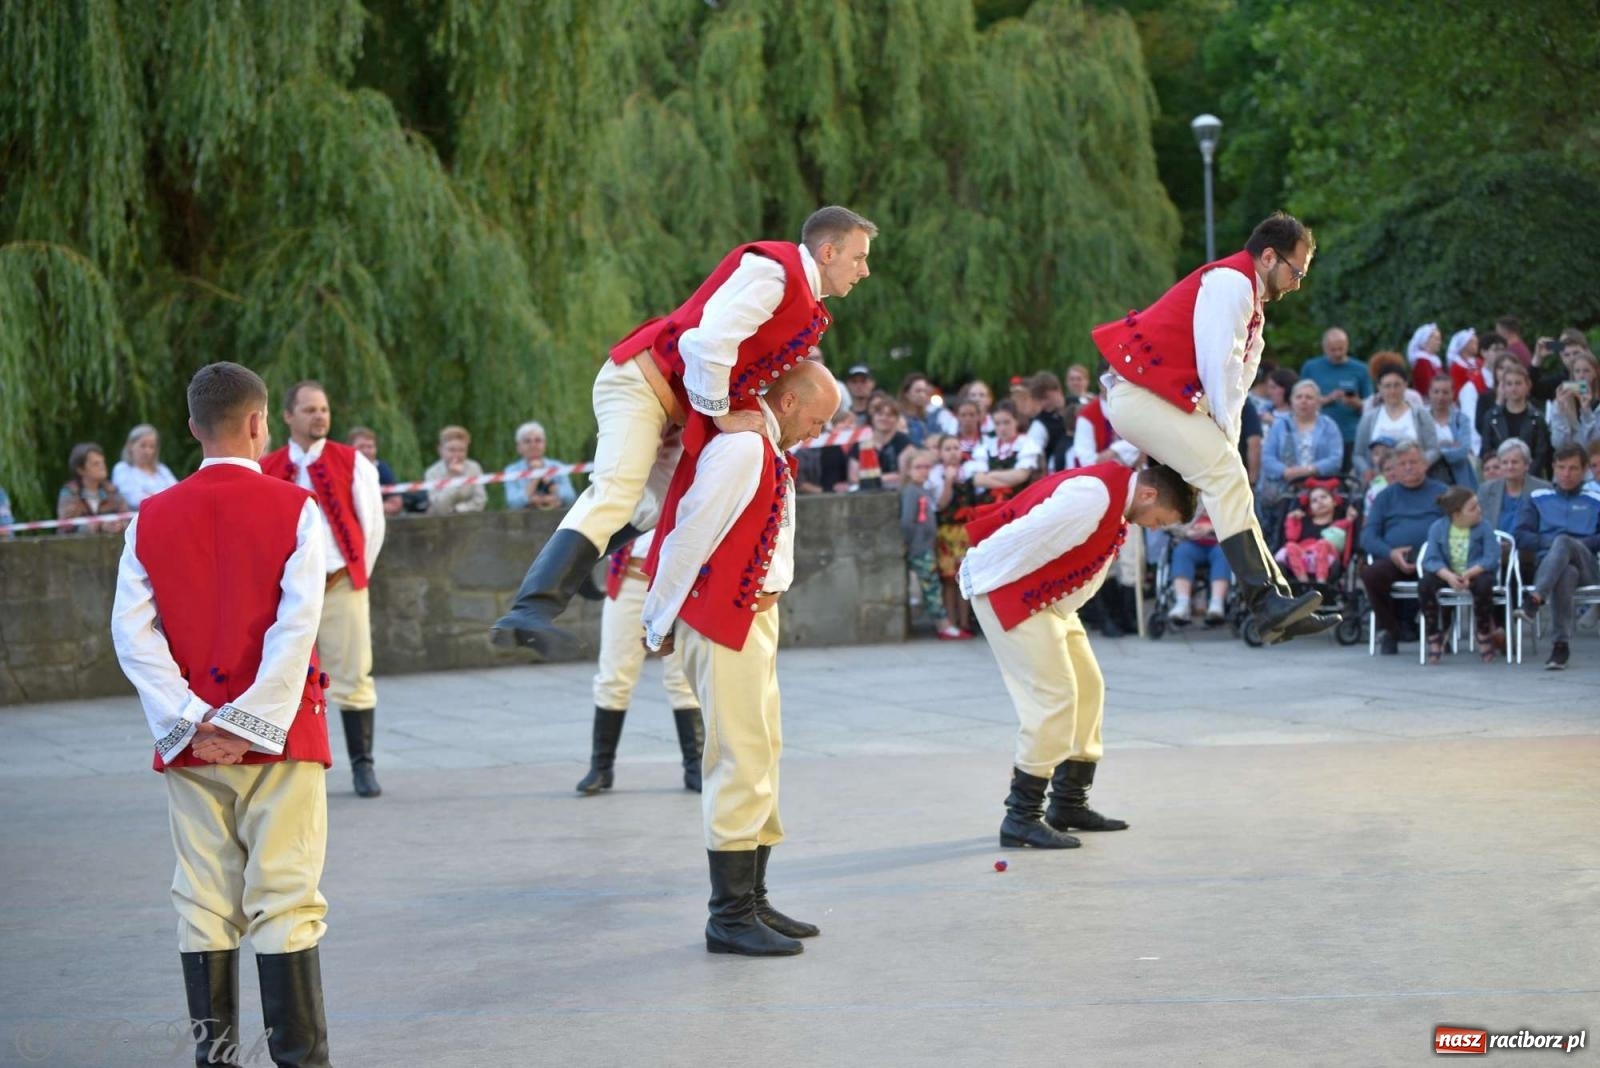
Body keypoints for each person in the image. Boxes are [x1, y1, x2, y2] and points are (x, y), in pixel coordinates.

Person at [493, 206, 876, 659]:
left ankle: (567, 577)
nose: (864, 270)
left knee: (653, 506)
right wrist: (721, 415)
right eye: (858, 257)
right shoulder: (774, 275)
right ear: (828, 252)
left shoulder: (796, 292)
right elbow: (706, 343)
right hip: (641, 383)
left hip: (673, 402)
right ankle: (528, 610)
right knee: (617, 493)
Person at [110, 362, 332, 1067]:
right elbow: (296, 628)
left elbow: (132, 634)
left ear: (191, 429)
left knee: (203, 902)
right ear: (261, 423)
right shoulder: (294, 508)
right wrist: (246, 720)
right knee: (287, 897)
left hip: (190, 746)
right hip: (281, 741)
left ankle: (216, 1061)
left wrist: (191, 717)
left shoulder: (150, 516)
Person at [640, 359, 839, 957]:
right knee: (738, 756)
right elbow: (689, 531)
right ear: (788, 402)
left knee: (762, 751)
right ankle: (728, 915)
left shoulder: (763, 447)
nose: (820, 431)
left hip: (752, 618)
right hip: (727, 621)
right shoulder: (745, 450)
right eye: (818, 418)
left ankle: (751, 899)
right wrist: (657, 619)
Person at [1091, 212, 1336, 643]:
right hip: (1139, 396)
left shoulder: (1250, 298)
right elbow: (1218, 367)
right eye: (1296, 271)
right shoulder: (1232, 284)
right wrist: (1225, 444)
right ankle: (1266, 603)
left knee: (1231, 479)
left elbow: (1237, 387)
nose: (1298, 283)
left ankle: (1276, 599)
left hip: (1150, 397)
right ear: (1267, 256)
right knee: (1226, 476)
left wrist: (1228, 441)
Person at [959, 461, 1196, 849]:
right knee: (1054, 698)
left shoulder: (1116, 494)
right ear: (1149, 495)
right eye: (1159, 519)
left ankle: (1068, 803)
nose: (1154, 526)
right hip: (1015, 595)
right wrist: (982, 582)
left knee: (1088, 689)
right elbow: (1022, 536)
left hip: (1049, 603)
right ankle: (1021, 817)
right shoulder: (1092, 497)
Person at [260, 381, 387, 798]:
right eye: (310, 409)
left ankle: (363, 767)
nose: (319, 416)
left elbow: (372, 528)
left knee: (354, 676)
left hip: (339, 584)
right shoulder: (267, 467)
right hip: (286, 594)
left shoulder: (353, 463)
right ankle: (289, 769)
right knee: (284, 678)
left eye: (324, 409)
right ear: (287, 416)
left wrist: (354, 577)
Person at [579, 527, 703, 796]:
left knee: (682, 676)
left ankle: (696, 766)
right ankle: (600, 766)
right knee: (614, 673)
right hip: (629, 578)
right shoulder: (631, 484)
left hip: (679, 581)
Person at [1513, 445, 1600, 670]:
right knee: (1565, 572)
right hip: (1549, 566)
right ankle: (1560, 647)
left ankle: (1535, 599)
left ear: (1584, 471)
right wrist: (1556, 545)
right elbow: (1521, 536)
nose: (1566, 474)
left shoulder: (1596, 498)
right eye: (1561, 468)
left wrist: (1572, 544)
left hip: (1587, 567)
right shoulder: (1537, 497)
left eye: (1573, 468)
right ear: (1553, 467)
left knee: (1565, 544)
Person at [1359, 441, 1449, 654]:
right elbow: (1368, 536)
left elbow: (1456, 528)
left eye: (1413, 462)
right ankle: (1391, 630)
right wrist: (1390, 553)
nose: (1408, 467)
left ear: (1425, 465)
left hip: (1433, 559)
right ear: (1395, 469)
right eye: (1402, 464)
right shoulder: (1384, 497)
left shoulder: (1442, 493)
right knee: (1371, 574)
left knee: (1447, 575)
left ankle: (1440, 632)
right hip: (1397, 559)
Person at [1419, 487, 1503, 665]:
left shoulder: (1484, 527)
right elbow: (1431, 559)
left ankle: (1482, 631)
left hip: (1475, 572)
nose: (1479, 510)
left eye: (1478, 505)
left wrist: (1469, 573)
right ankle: (1433, 633)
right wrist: (1449, 576)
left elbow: (1491, 556)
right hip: (1447, 573)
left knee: (1484, 584)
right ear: (1456, 514)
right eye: (1473, 508)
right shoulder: (1438, 528)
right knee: (1425, 583)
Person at [901, 447, 967, 640]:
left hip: (927, 545)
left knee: (933, 585)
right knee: (931, 587)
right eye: (918, 467)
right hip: (920, 548)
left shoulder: (922, 489)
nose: (923, 470)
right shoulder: (912, 491)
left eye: (926, 466)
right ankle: (943, 625)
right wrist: (914, 542)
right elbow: (907, 521)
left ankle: (944, 624)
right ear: (909, 470)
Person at [1258, 379, 1344, 507]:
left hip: (1320, 490)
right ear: (1292, 400)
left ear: (1318, 402)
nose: (1303, 401)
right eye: (1299, 397)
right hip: (1283, 492)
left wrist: (1310, 470)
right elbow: (1267, 458)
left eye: (1309, 397)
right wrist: (1286, 472)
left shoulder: (1329, 426)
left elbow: (1335, 459)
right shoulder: (1279, 425)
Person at [1300, 327, 1371, 471]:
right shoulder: (1311, 367)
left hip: (1351, 433)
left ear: (1347, 346)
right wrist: (1327, 399)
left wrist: (1355, 403)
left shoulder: (1361, 369)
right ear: (1324, 348)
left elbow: (1370, 403)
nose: (1337, 353)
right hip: (1319, 434)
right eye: (1333, 350)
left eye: (1341, 349)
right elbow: (1299, 400)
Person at [1353, 368, 1439, 483]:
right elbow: (1358, 454)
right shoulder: (1368, 418)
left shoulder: (1421, 414)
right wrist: (1366, 470)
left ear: (1405, 385)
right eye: (1387, 386)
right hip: (1380, 481)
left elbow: (1434, 448)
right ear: (1379, 388)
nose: (1392, 391)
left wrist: (1421, 465)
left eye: (1397, 385)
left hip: (1414, 480)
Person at [932, 434, 980, 636]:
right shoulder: (937, 474)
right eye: (948, 449)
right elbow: (941, 504)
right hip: (946, 532)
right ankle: (950, 621)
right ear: (940, 453)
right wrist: (948, 482)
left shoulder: (969, 471)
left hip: (966, 532)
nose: (952, 453)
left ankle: (965, 622)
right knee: (949, 580)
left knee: (965, 579)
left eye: (955, 448)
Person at [1478, 360, 1550, 479]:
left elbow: (1541, 453)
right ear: (1503, 387)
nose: (1513, 388)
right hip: (1499, 477)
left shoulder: (1537, 418)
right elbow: (1487, 449)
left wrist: (1526, 475)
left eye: (1518, 383)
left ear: (1527, 386)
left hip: (1530, 477)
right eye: (1509, 384)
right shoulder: (1491, 417)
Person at [964, 400, 1042, 502]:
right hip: (989, 505)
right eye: (997, 424)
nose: (1002, 428)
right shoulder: (987, 445)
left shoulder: (1026, 444)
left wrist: (990, 474)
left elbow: (1020, 476)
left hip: (1019, 504)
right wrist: (1008, 481)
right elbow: (978, 479)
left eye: (1007, 422)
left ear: (1016, 421)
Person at [1167, 506, 1233, 625]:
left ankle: (1216, 603)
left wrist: (1210, 528)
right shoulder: (1187, 494)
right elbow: (1169, 522)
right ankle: (1182, 603)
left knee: (1223, 554)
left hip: (1219, 542)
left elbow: (1236, 522)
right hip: (1191, 542)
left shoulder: (1224, 494)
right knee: (1181, 552)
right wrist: (1186, 531)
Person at [1276, 485, 1355, 584]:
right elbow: (1291, 537)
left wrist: (1350, 518)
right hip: (1303, 558)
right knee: (1290, 546)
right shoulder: (1303, 522)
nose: (1319, 502)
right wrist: (1292, 519)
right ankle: (1303, 581)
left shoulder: (1338, 524)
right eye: (1314, 500)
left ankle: (1320, 582)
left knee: (1322, 544)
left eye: (1324, 497)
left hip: (1327, 560)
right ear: (1310, 508)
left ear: (1334, 502)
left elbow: (1347, 531)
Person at [503, 420, 578, 511]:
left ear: (544, 445)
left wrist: (547, 479)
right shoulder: (511, 471)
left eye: (538, 440)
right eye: (527, 441)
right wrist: (536, 478)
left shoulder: (558, 467)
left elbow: (570, 498)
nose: (533, 445)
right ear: (519, 447)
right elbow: (513, 502)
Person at [57, 443, 130, 533]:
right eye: (96, 464)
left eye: (102, 462)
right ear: (80, 470)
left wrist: (120, 525)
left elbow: (128, 519)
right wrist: (100, 526)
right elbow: (66, 527)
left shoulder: (112, 491)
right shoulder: (70, 493)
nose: (102, 466)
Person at [847, 391, 914, 491]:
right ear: (873, 417)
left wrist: (870, 479)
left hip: (896, 494)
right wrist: (888, 477)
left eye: (890, 415)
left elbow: (904, 476)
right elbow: (853, 478)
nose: (884, 418)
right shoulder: (861, 441)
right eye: (880, 414)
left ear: (897, 419)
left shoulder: (904, 441)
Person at [1423, 376, 1479, 488]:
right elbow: (1420, 452)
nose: (1440, 396)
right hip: (1429, 478)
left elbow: (1462, 450)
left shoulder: (1461, 419)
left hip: (1459, 480)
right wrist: (1449, 446)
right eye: (1436, 392)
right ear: (1429, 393)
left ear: (1452, 394)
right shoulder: (1422, 420)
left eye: (1445, 392)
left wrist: (1437, 450)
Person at [423, 425, 488, 514]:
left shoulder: (474, 468)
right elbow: (439, 507)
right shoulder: (432, 473)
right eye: (451, 450)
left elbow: (480, 500)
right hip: (439, 522)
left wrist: (458, 509)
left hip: (469, 518)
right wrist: (452, 479)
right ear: (440, 450)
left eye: (461, 450)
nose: (456, 455)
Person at [112, 424, 179, 510]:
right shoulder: (122, 469)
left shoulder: (162, 469)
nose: (148, 451)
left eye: (152, 447)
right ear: (130, 445)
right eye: (143, 446)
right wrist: (166, 497)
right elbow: (134, 499)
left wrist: (152, 495)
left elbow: (178, 492)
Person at [1546, 348, 1600, 453]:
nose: (1581, 376)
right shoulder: (1563, 401)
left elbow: (1595, 443)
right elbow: (1558, 444)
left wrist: (1586, 411)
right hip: (1571, 462)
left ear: (1595, 373)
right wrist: (1559, 411)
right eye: (1577, 371)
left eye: (1586, 371)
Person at [1446, 328, 1491, 451]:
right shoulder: (1457, 367)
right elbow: (1456, 390)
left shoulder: (1479, 362)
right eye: (1473, 342)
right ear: (1464, 345)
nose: (1476, 345)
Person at [347, 427, 408, 517]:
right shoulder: (342, 470)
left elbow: (396, 504)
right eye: (361, 447)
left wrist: (367, 508)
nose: (366, 451)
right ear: (349, 448)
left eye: (370, 447)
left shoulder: (382, 469)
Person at [1024, 371, 1072, 471]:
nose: (1044, 403)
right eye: (1040, 399)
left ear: (1057, 390)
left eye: (1046, 397)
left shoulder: (1076, 405)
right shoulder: (1039, 425)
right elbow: (1033, 456)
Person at [897, 372, 938, 445]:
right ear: (907, 394)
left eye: (924, 391)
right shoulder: (900, 418)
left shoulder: (931, 417)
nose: (922, 395)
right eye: (918, 391)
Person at [1407, 323, 1444, 394]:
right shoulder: (1422, 362)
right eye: (1436, 339)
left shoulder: (1433, 361)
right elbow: (1425, 387)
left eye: (1439, 339)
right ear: (1425, 341)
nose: (1439, 342)